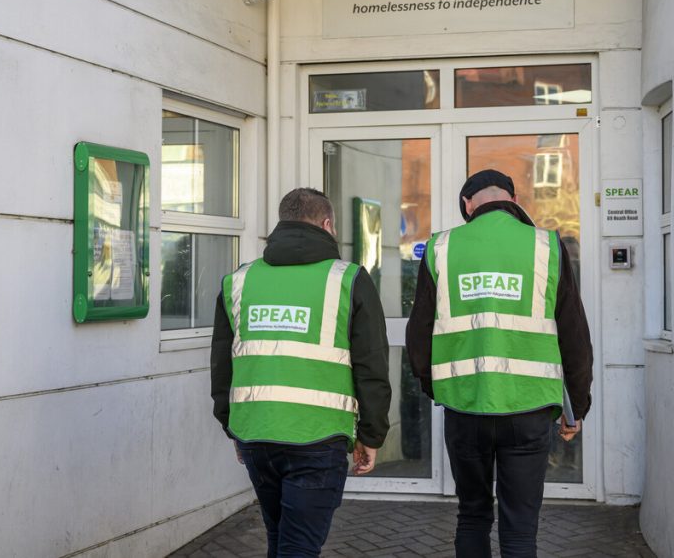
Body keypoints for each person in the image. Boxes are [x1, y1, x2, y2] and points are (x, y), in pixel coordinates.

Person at [406, 169, 594, 558]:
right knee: (520, 528)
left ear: (466, 205)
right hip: (530, 409)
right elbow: (573, 333)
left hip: (466, 407)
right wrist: (576, 406)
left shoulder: (441, 248)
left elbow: (419, 332)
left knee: (472, 516)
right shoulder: (546, 245)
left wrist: (437, 388)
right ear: (514, 200)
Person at [211, 187, 391, 558]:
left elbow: (221, 364)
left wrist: (232, 425)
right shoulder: (349, 279)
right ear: (327, 225)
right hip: (318, 437)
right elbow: (371, 364)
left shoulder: (239, 281)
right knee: (298, 547)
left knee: (280, 539)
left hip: (256, 433)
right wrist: (371, 435)